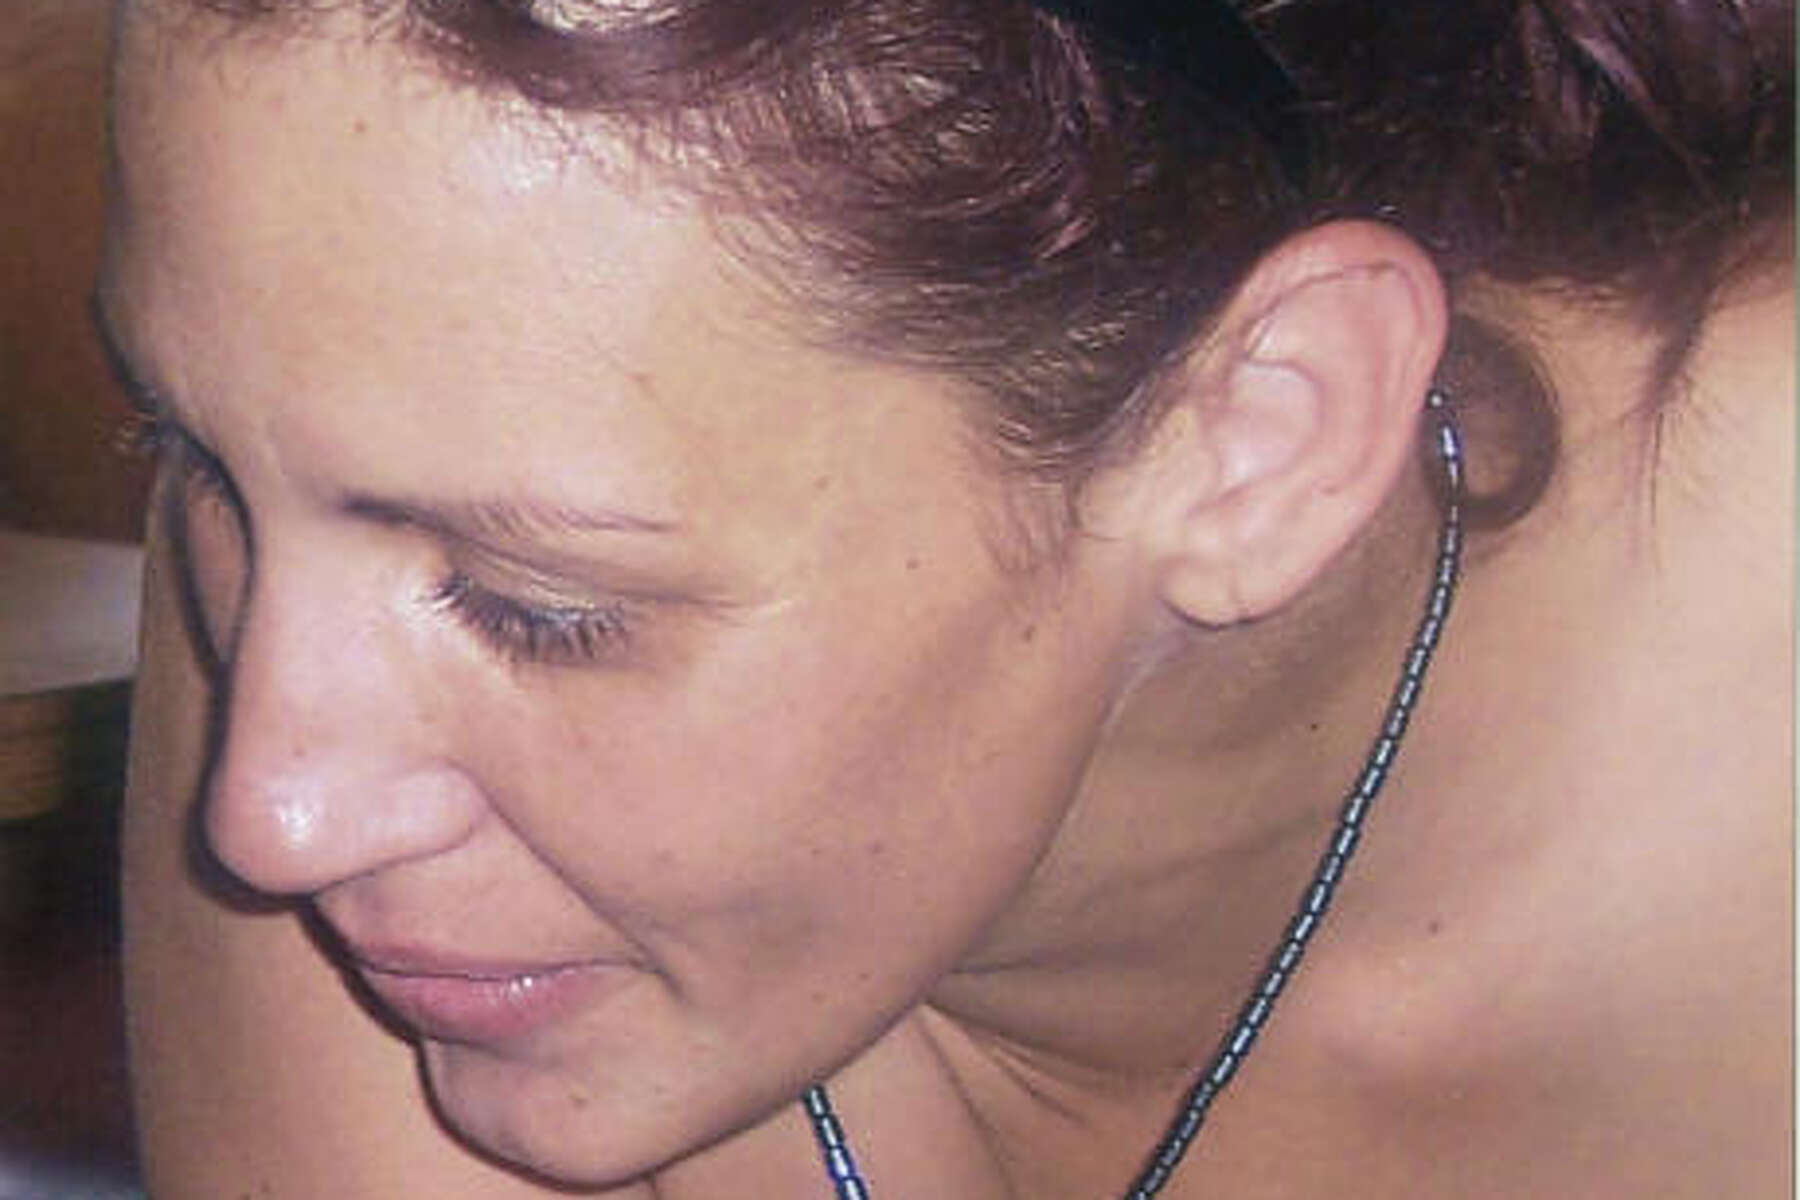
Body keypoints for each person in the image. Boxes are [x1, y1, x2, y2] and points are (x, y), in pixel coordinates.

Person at [106, 0, 1791, 1195]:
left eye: (535, 607)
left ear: (1260, 439)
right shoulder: (343, 545)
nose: (268, 819)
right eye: (195, 459)